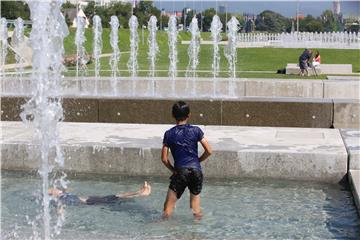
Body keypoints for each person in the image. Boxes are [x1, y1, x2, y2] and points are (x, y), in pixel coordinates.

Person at [161, 101, 212, 219]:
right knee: (196, 209)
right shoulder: (196, 131)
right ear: (189, 115)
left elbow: (164, 159)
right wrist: (198, 161)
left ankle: (164, 233)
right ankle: (196, 233)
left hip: (180, 172)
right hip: (196, 171)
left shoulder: (169, 134)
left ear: (173, 115)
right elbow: (209, 151)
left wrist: (173, 170)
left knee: (167, 209)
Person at [48, 181, 151, 205]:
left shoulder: (62, 196)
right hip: (88, 201)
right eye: (52, 190)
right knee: (115, 197)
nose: (54, 188)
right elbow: (61, 207)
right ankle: (140, 193)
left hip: (89, 199)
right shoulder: (60, 200)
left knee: (115, 197)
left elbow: (65, 191)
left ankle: (139, 192)